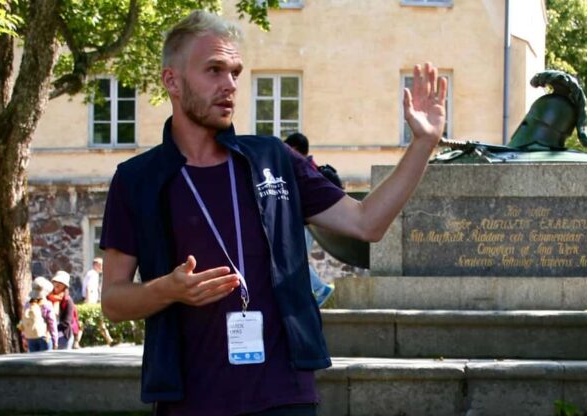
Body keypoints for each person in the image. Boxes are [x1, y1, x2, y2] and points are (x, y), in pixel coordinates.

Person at [101, 10, 446, 415]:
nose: (229, 85)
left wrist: (423, 143)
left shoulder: (273, 159)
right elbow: (113, 300)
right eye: (214, 70)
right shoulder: (137, 180)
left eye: (235, 72)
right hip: (189, 398)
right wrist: (169, 290)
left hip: (285, 394)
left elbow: (366, 223)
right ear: (171, 81)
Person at [284, 132, 337, 307]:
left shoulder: (302, 169)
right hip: (311, 223)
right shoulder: (311, 167)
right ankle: (312, 292)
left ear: (294, 149)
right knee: (295, 260)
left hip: (305, 223)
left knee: (294, 260)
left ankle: (320, 289)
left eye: (287, 149)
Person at [19, 276, 57, 352]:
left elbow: (24, 322)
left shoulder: (28, 304)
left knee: (34, 362)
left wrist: (24, 338)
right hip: (45, 337)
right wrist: (55, 340)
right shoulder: (47, 305)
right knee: (46, 362)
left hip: (31, 338)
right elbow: (52, 323)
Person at [48, 271, 80, 350]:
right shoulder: (48, 298)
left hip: (63, 337)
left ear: (65, 286)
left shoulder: (68, 301)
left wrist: (52, 328)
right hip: (50, 335)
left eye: (61, 282)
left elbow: (66, 323)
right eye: (56, 282)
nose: (57, 284)